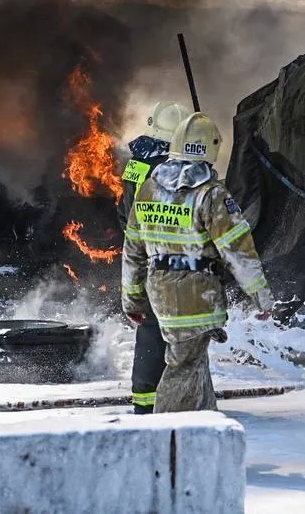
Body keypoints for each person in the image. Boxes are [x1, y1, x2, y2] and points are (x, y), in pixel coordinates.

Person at [121, 111, 275, 412]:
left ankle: (207, 426)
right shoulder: (211, 193)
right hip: (195, 295)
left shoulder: (148, 189)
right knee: (184, 365)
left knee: (193, 361)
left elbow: (133, 251)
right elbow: (238, 250)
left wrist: (132, 300)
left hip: (159, 291)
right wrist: (262, 298)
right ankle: (166, 433)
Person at [119, 99, 189, 415]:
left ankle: (146, 401)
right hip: (176, 260)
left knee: (150, 330)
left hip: (143, 255)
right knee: (182, 332)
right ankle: (177, 400)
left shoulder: (136, 164)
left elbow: (125, 211)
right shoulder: (179, 170)